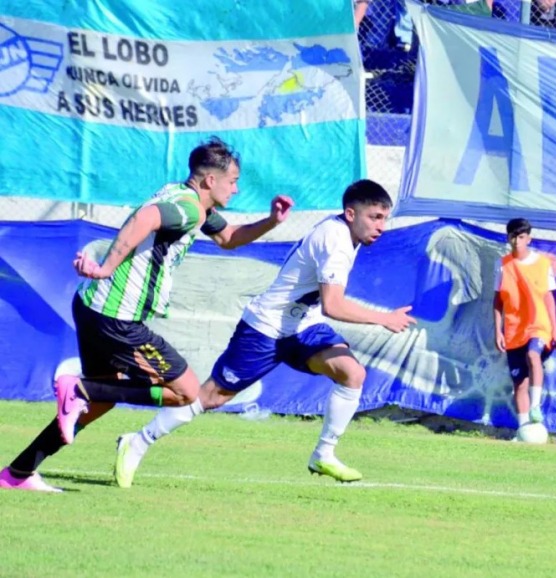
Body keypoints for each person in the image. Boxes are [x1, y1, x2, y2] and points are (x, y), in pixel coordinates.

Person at [0, 137, 293, 492]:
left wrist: (272, 221)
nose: (237, 187)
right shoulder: (189, 209)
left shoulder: (185, 198)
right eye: (232, 180)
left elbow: (229, 237)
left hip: (94, 307)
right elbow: (147, 217)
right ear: (209, 180)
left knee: (102, 399)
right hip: (117, 317)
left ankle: (18, 473)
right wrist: (108, 266)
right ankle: (77, 388)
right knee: (185, 391)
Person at [113, 179, 416, 488]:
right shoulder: (336, 240)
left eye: (385, 218)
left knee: (352, 373)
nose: (381, 226)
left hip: (302, 327)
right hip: (264, 329)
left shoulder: (346, 235)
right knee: (210, 397)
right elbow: (333, 305)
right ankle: (137, 441)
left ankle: (323, 455)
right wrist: (383, 318)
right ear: (351, 214)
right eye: (374, 217)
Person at [493, 218, 556, 435]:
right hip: (514, 330)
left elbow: (549, 298)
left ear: (528, 238)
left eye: (521, 237)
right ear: (508, 238)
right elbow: (497, 301)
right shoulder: (502, 265)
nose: (516, 241)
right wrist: (498, 330)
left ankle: (535, 407)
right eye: (513, 236)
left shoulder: (542, 264)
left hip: (538, 325)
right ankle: (523, 431)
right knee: (519, 384)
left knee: (533, 356)